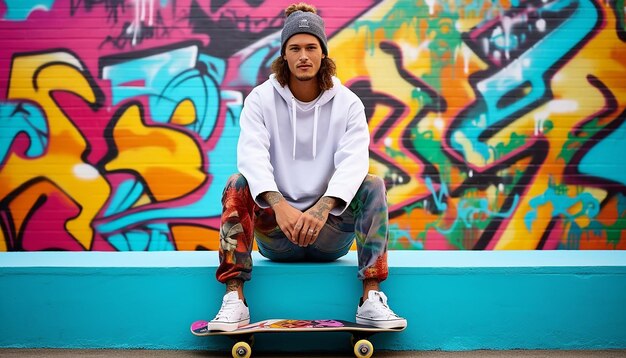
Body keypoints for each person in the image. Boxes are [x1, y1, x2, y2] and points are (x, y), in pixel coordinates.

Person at [208, 2, 407, 332]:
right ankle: (234, 299)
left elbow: (353, 161)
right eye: (295, 48)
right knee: (237, 184)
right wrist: (280, 206)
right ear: (284, 54)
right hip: (277, 235)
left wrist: (322, 209)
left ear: (324, 53)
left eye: (311, 47)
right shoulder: (260, 99)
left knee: (372, 183)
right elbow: (251, 154)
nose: (303, 56)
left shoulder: (348, 103)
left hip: (329, 233)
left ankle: (371, 298)